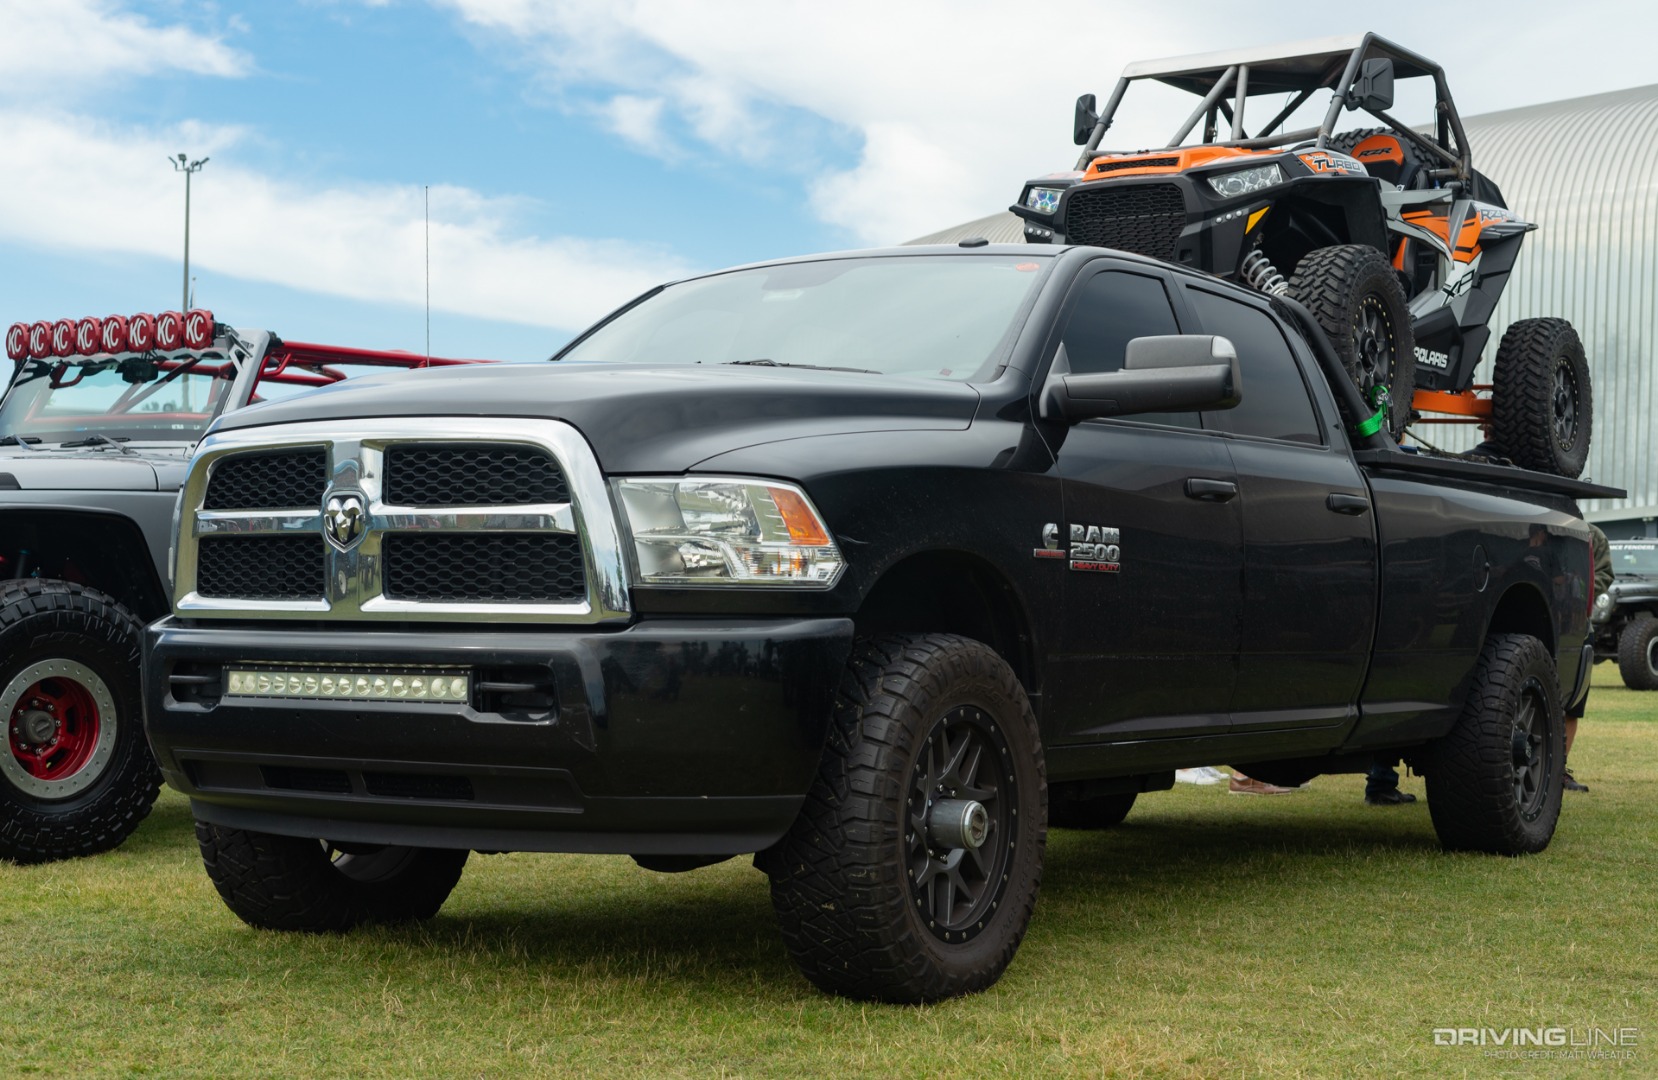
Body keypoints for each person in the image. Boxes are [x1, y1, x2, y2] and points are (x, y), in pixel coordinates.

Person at [1563, 522, 1612, 792]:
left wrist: (1575, 585)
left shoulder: (1593, 535)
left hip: (1578, 628)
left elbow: (1604, 574)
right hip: (1537, 627)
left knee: (1572, 704)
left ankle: (1558, 771)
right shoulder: (1537, 525)